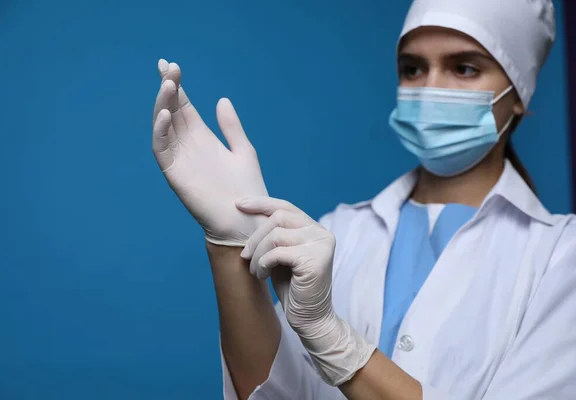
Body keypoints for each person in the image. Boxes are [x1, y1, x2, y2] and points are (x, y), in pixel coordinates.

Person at [151, 0, 576, 398]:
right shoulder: (339, 231)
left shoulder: (560, 257)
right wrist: (227, 240)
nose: (429, 88)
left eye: (464, 68)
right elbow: (277, 393)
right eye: (412, 69)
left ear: (519, 92)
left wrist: (333, 339)